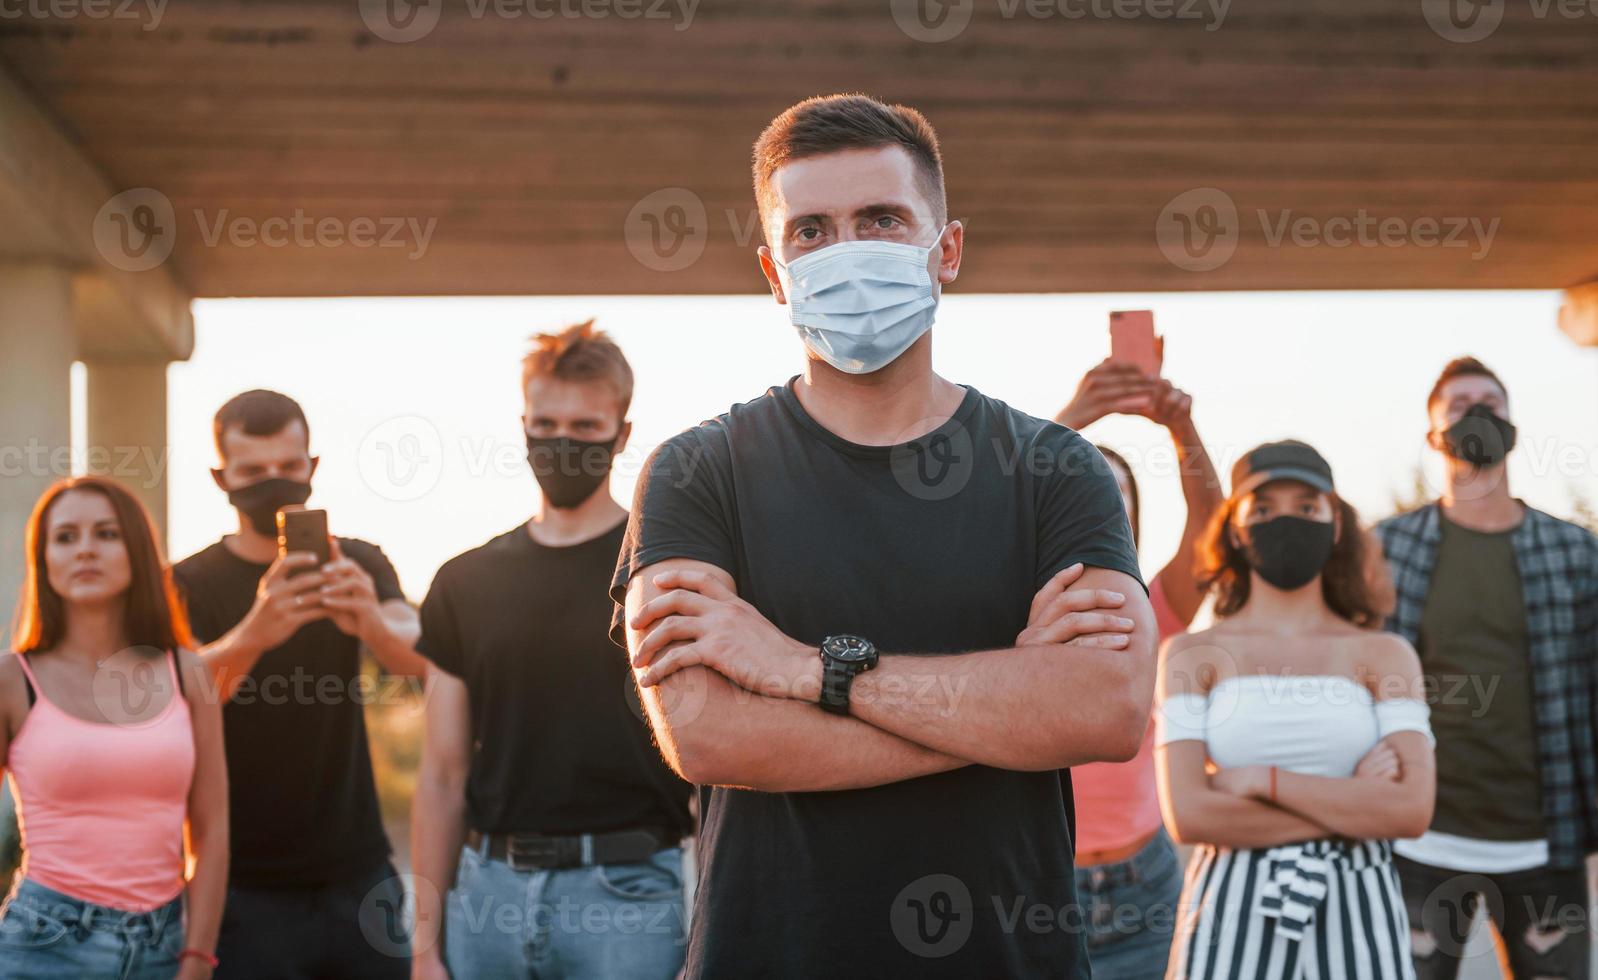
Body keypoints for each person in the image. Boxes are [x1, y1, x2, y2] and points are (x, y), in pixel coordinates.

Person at [613, 93, 1157, 978]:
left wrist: (803, 671)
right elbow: (708, 735)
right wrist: (1004, 714)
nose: (848, 251)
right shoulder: (696, 471)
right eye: (812, 232)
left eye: (881, 219)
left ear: (946, 252)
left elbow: (1105, 709)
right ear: (773, 271)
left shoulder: (1057, 469)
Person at [410, 321, 693, 980]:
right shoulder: (464, 581)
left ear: (622, 435)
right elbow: (442, 774)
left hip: (629, 900)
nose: (562, 441)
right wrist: (425, 947)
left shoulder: (667, 573)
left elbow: (709, 773)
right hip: (488, 898)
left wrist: (706, 932)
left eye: (586, 427)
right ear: (523, 425)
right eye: (546, 423)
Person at [172, 390, 428, 979]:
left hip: (358, 874)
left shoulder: (357, 561)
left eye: (289, 468)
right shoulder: (187, 583)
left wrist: (367, 619)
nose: (275, 482)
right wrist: (252, 635)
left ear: (312, 469)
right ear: (221, 478)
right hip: (242, 885)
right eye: (254, 472)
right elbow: (170, 700)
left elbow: (421, 657)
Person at [1157, 440, 1436, 979]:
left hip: (1361, 909)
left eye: (1307, 506)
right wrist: (1355, 803)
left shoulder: (1385, 654)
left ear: (1335, 525)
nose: (1285, 520)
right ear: (1236, 529)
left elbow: (1410, 810)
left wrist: (1264, 780)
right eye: (1262, 508)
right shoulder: (1191, 655)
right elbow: (1190, 814)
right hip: (1231, 909)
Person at [1374, 357, 1598, 980]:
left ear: (1513, 424)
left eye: (1491, 403)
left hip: (1546, 839)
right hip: (1417, 838)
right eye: (1460, 403)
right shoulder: (1385, 549)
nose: (1478, 413)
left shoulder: (1575, 552)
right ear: (1432, 435)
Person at [1, 476, 227, 978]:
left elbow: (211, 830)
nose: (85, 550)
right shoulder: (12, 678)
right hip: (42, 944)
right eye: (65, 537)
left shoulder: (188, 673)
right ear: (44, 559)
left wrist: (197, 958)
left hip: (164, 945)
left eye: (106, 533)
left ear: (138, 551)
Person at [1054, 358, 1223, 978]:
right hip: (1042, 882)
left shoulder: (1155, 611)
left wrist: (1183, 428)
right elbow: (991, 504)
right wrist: (1070, 421)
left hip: (1145, 886)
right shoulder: (1006, 608)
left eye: (1115, 496)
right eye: (1083, 491)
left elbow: (1212, 530)